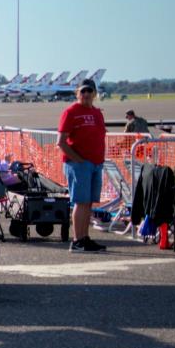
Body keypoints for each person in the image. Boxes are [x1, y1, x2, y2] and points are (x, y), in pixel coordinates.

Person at [58, 79, 108, 252]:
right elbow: (61, 142)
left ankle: (85, 238)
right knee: (81, 202)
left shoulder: (97, 113)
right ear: (77, 93)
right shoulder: (71, 112)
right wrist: (77, 159)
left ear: (95, 93)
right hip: (79, 164)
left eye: (89, 91)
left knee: (88, 203)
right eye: (83, 91)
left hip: (96, 163)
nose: (86, 94)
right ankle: (77, 240)